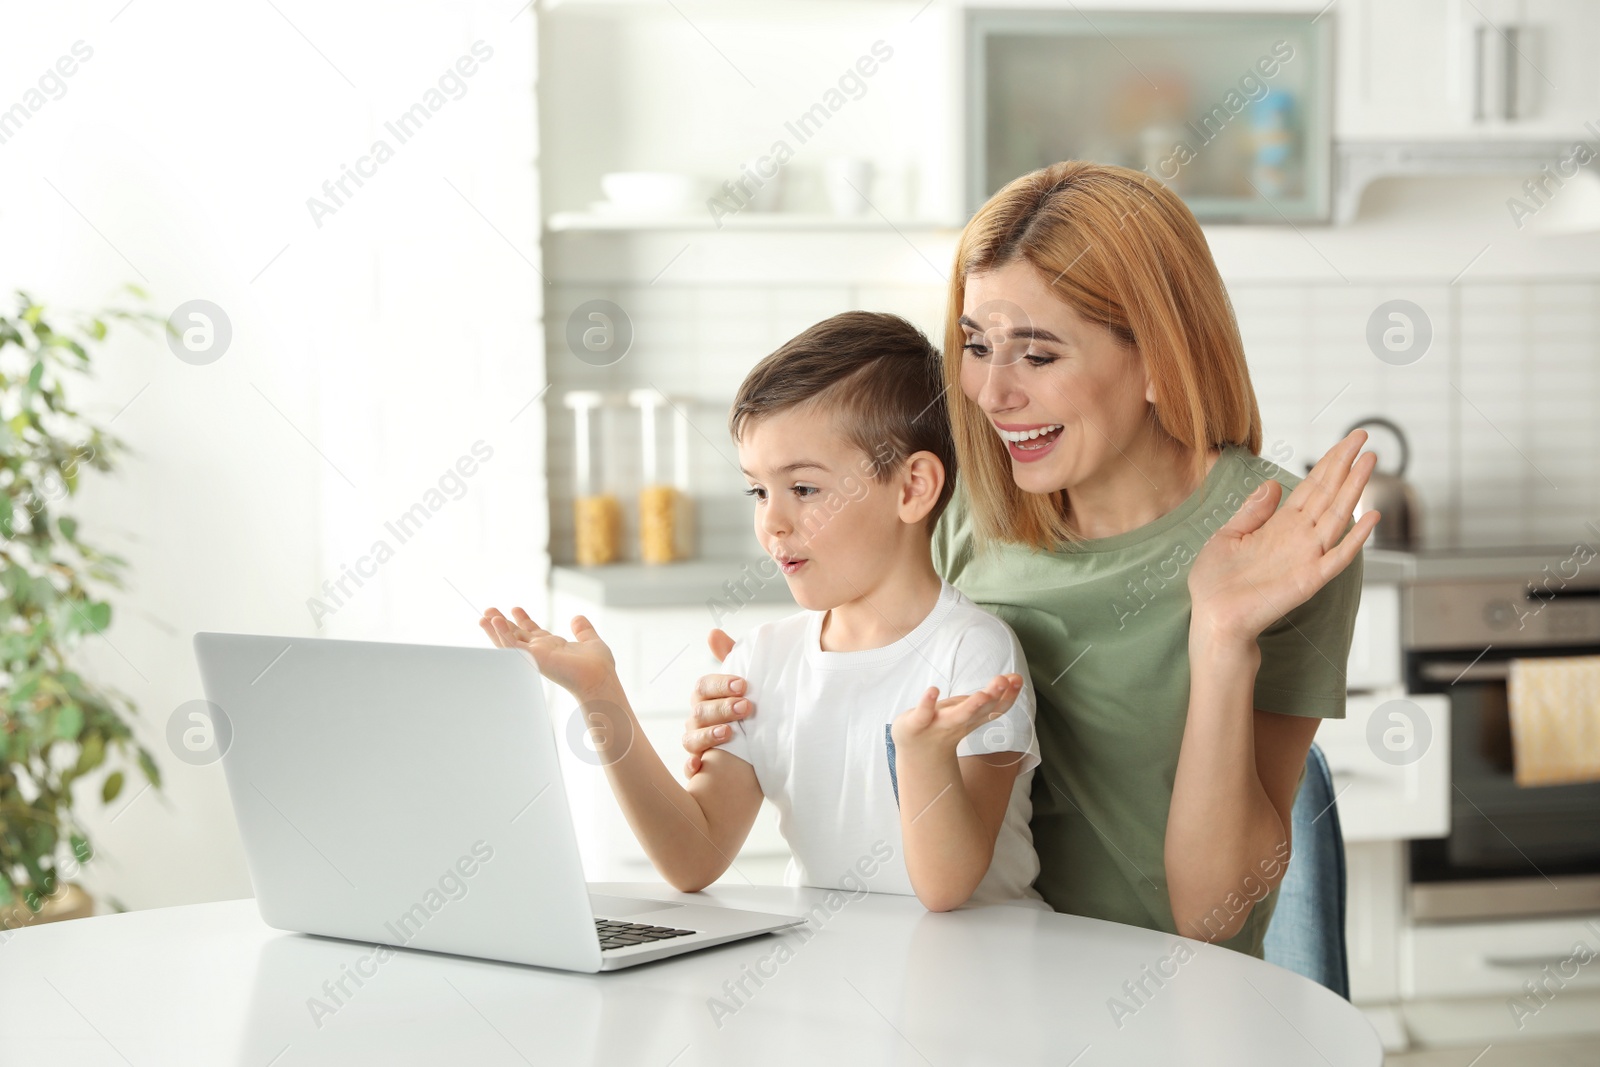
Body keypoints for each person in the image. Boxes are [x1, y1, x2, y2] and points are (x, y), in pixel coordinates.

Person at [682, 162, 1381, 957]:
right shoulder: (960, 510)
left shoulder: (1283, 542)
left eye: (1038, 356)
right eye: (977, 346)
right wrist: (772, 702)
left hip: (1169, 999)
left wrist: (1222, 635)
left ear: (1158, 357)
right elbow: (897, 750)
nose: (988, 392)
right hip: (971, 978)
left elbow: (1216, 916)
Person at [482, 311, 1046, 912]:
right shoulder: (764, 660)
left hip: (979, 982)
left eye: (803, 489)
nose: (771, 521)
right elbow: (693, 856)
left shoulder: (975, 654)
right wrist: (601, 695)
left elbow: (946, 888)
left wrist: (922, 753)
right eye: (758, 490)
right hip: (837, 977)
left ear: (911, 489)